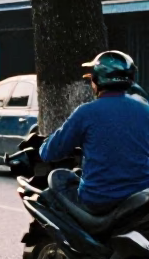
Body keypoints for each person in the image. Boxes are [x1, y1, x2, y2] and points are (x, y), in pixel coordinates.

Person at [39, 50, 149, 211]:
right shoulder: (145, 110)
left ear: (96, 80)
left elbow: (49, 152)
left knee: (58, 182)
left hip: (99, 199)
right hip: (141, 198)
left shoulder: (86, 112)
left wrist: (44, 145)